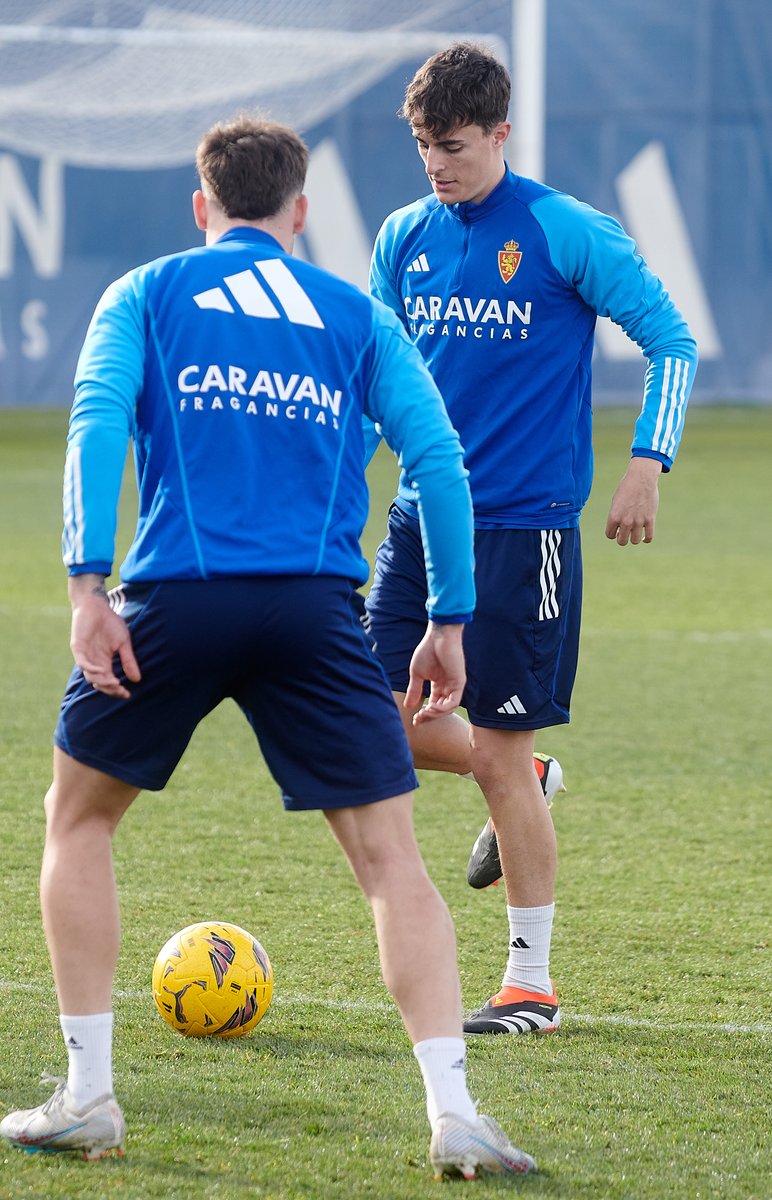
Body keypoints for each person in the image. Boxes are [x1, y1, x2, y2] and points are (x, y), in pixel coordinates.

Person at [0, 116, 536, 1181]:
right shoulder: (354, 312)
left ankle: (88, 1094)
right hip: (315, 613)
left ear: (203, 209)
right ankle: (455, 1111)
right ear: (302, 212)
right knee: (392, 862)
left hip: (174, 603)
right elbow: (437, 457)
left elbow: (96, 418)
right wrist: (449, 620)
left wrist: (84, 584)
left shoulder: (147, 293)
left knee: (79, 819)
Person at [364, 43, 698, 1035]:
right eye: (425, 146)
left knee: (503, 755)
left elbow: (671, 341)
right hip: (419, 521)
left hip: (523, 531)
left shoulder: (564, 231)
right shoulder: (400, 235)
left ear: (501, 133)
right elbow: (375, 370)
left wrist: (649, 460)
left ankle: (531, 986)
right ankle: (522, 779)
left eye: (455, 146)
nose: (438, 165)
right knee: (373, 726)